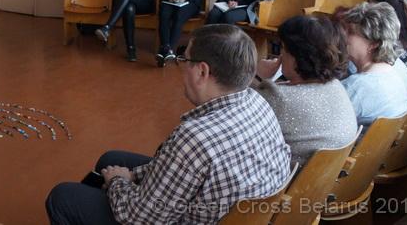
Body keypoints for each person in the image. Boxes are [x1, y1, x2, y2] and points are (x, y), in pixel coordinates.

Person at [45, 25, 291, 224]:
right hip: (238, 214)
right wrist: (130, 176)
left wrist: (118, 182)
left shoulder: (194, 138)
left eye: (185, 60)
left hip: (184, 217)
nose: (182, 68)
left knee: (63, 197)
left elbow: (139, 218)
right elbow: (179, 171)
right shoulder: (257, 101)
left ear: (202, 72)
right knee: (110, 159)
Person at [253, 15, 357, 166]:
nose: (280, 55)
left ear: (297, 57)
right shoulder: (336, 86)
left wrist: (257, 77)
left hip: (288, 178)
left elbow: (237, 119)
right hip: (327, 176)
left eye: (283, 48)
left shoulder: (277, 96)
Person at [338, 2, 407, 126]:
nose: (343, 36)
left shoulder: (355, 88)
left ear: (373, 44)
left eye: (350, 32)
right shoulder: (392, 73)